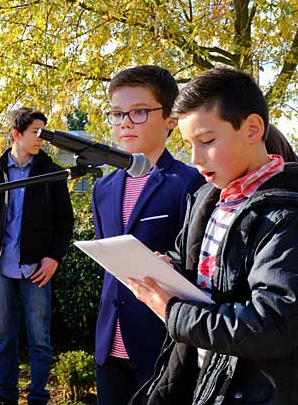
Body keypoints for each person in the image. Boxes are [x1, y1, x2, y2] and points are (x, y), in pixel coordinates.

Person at [128, 67, 298, 405]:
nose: (194, 159)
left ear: (252, 129)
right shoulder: (207, 198)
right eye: (189, 145)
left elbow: (274, 326)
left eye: (207, 141)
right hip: (201, 381)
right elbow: (194, 269)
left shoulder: (286, 217)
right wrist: (168, 270)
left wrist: (174, 312)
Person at [92, 65, 205, 404]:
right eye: (117, 113)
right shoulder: (103, 188)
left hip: (163, 345)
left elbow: (197, 265)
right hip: (109, 343)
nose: (125, 122)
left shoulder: (190, 183)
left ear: (171, 118)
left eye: (139, 112)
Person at [0, 107, 74, 405]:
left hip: (37, 268)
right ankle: (5, 394)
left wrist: (53, 258)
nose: (41, 138)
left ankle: (38, 396)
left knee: (39, 338)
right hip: (0, 267)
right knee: (5, 335)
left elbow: (65, 221)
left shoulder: (52, 172)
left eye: (43, 132)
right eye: (36, 132)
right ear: (17, 134)